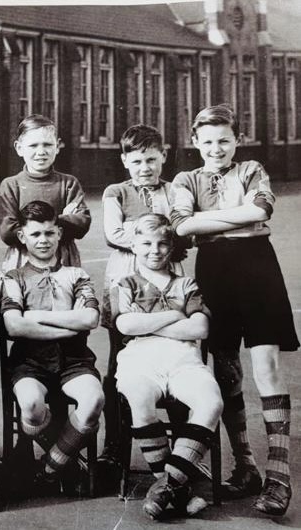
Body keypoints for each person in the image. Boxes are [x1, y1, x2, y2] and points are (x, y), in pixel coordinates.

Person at [170, 105, 298, 516]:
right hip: (215, 273)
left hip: (258, 268)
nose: (216, 148)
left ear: (237, 140)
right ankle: (246, 467)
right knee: (226, 369)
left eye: (224, 140)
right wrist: (235, 220)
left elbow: (260, 211)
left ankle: (279, 476)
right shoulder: (185, 178)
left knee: (266, 366)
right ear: (195, 143)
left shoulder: (251, 169)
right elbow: (182, 227)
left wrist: (207, 219)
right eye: (207, 141)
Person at [112, 213, 222, 520]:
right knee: (139, 397)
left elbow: (199, 329)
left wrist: (148, 324)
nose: (155, 250)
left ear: (171, 246)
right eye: (146, 243)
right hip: (140, 358)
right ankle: (180, 488)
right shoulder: (125, 283)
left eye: (162, 243)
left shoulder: (186, 283)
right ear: (133, 245)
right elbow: (125, 324)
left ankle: (166, 485)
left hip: (183, 358)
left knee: (211, 402)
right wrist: (176, 315)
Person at [98, 124, 186, 470]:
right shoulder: (115, 192)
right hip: (124, 281)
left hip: (167, 282)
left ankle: (181, 446)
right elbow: (114, 233)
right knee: (119, 362)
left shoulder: (175, 188)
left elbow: (182, 230)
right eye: (136, 161)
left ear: (163, 156)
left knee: (174, 353)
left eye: (151, 159)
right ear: (124, 161)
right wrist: (159, 233)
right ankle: (115, 447)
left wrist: (160, 233)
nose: (144, 167)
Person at [0, 200, 103, 494]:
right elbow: (14, 326)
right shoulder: (13, 278)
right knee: (31, 405)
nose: (43, 240)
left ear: (59, 233)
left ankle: (49, 468)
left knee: (93, 400)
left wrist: (37, 317)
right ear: (22, 237)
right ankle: (66, 460)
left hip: (74, 360)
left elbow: (91, 318)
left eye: (48, 233)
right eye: (35, 235)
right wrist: (68, 326)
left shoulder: (77, 275)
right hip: (29, 362)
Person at [0, 115, 90, 272]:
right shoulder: (11, 185)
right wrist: (61, 219)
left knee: (64, 295)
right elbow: (8, 232)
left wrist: (29, 225)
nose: (41, 151)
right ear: (19, 148)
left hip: (63, 259)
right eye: (33, 146)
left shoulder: (68, 183)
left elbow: (81, 225)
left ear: (58, 146)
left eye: (47, 145)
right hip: (23, 259)